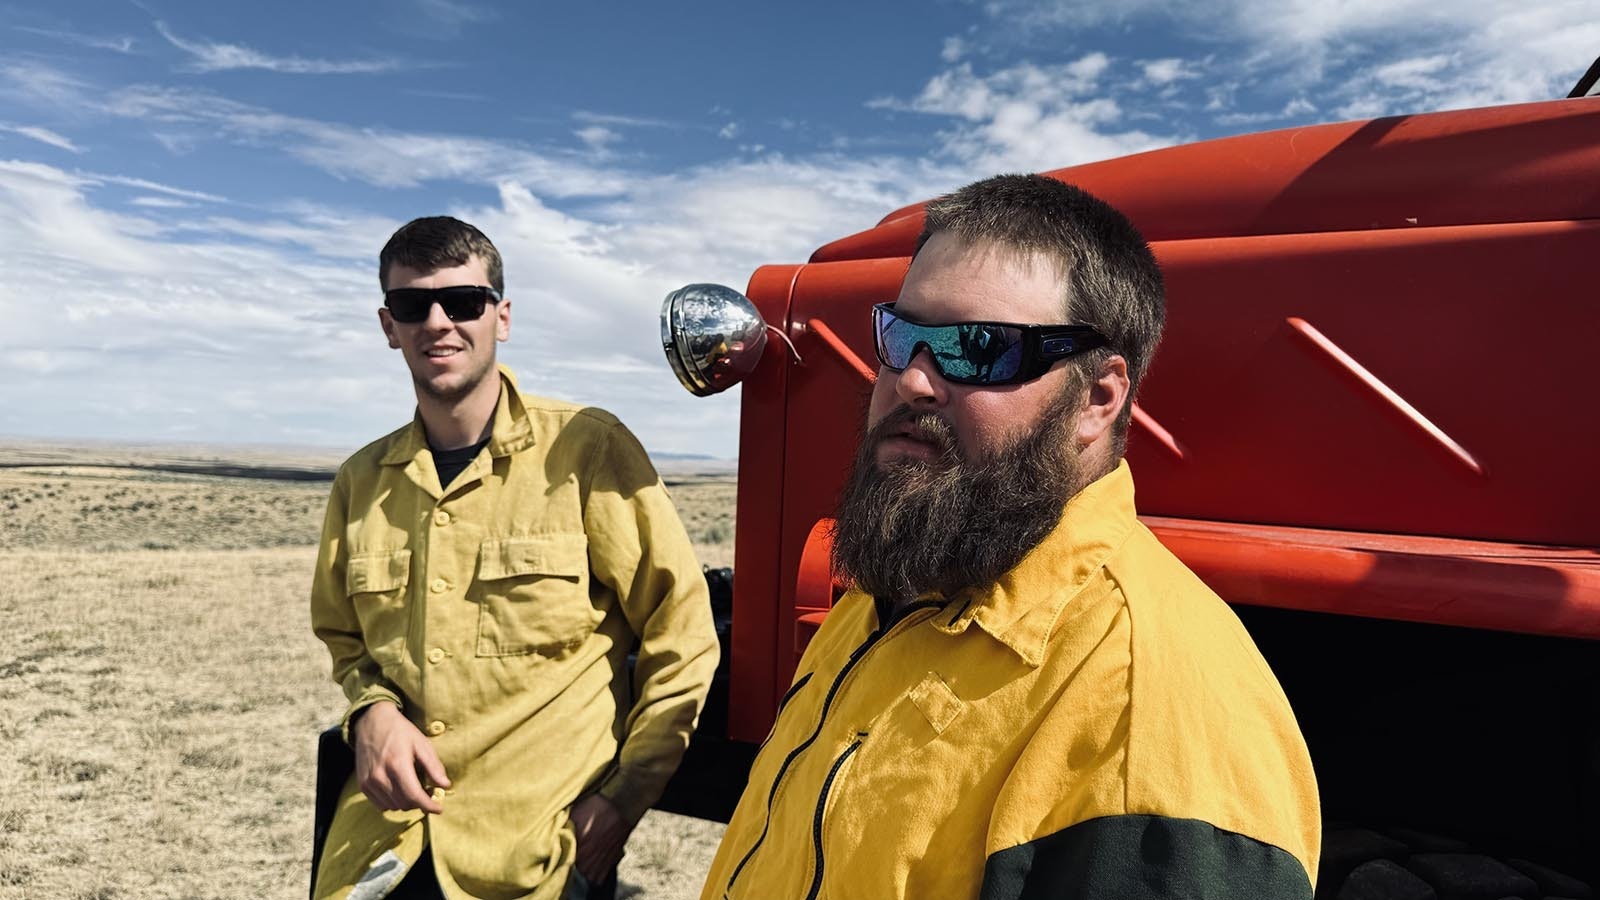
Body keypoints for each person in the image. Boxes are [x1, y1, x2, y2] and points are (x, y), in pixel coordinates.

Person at [700, 175, 1321, 899]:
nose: (914, 383)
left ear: (1097, 399)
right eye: (903, 338)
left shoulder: (1144, 717)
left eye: (978, 348)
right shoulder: (904, 580)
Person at [310, 216, 719, 900]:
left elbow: (681, 635)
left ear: (501, 317)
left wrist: (624, 799)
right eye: (414, 306)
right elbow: (348, 642)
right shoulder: (362, 482)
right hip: (385, 844)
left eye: (464, 302)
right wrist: (373, 711)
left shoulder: (587, 451)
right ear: (389, 326)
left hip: (533, 855)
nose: (438, 322)